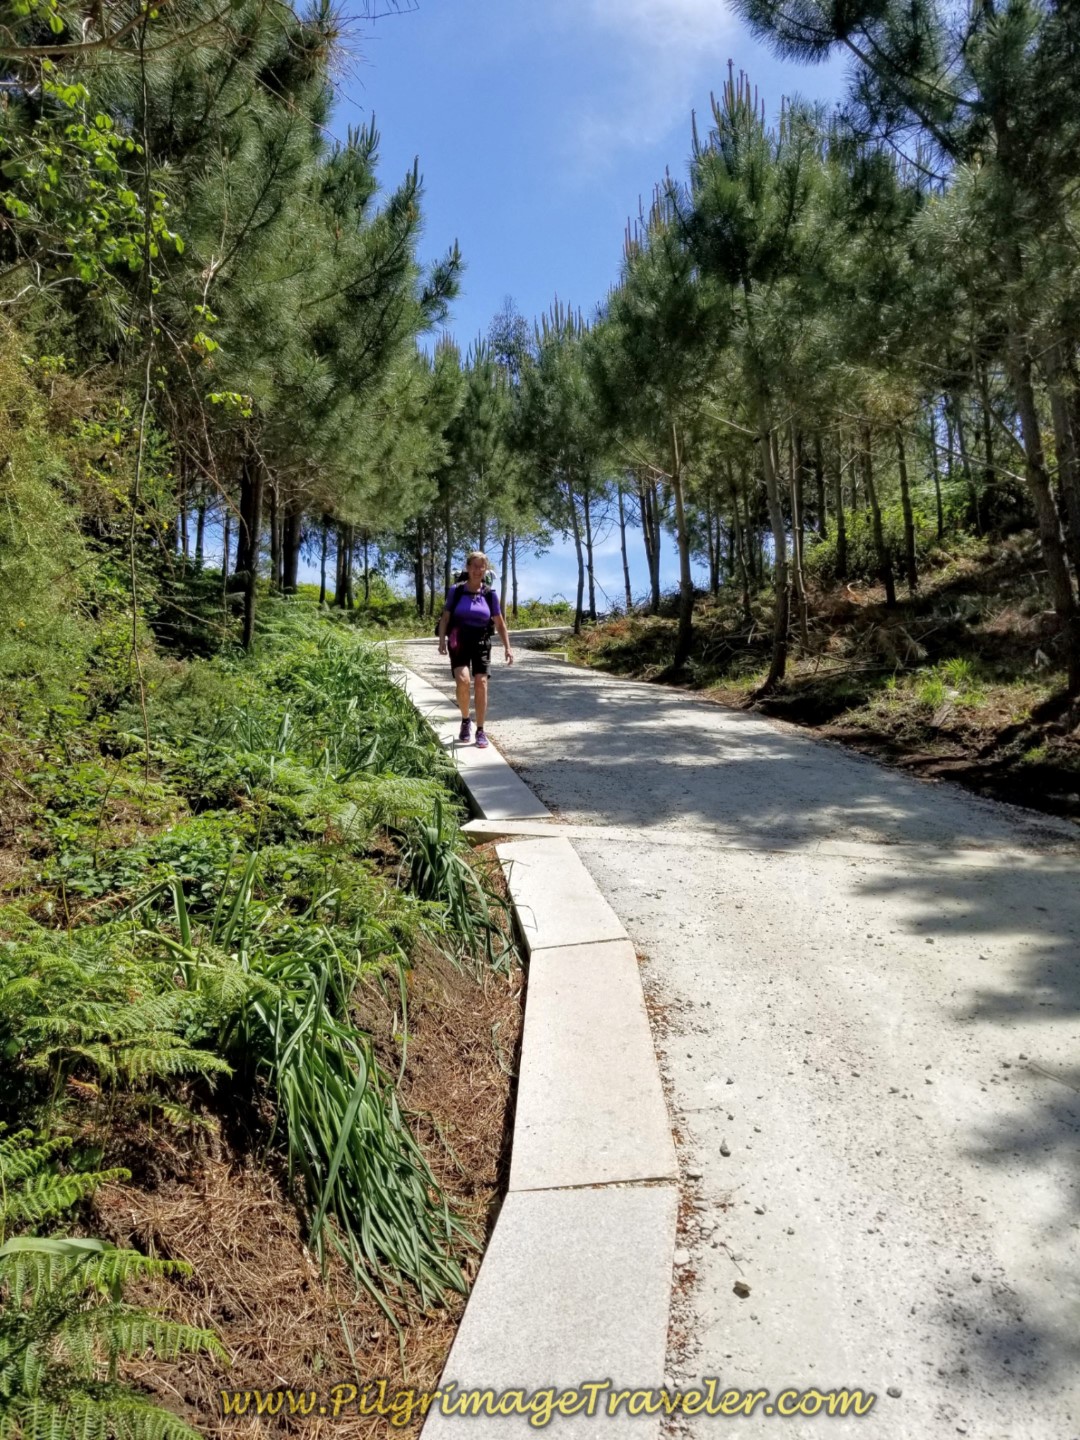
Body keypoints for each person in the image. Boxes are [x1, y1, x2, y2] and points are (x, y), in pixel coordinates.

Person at [436, 551, 513, 749]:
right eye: (474, 566)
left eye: (482, 566)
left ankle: (480, 729)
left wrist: (508, 648)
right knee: (463, 681)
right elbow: (445, 618)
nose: (478, 570)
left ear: (486, 569)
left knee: (481, 682)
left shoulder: (489, 594)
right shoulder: (457, 590)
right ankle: (464, 720)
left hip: (481, 642)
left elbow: (500, 623)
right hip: (458, 640)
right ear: (468, 568)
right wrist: (442, 641)